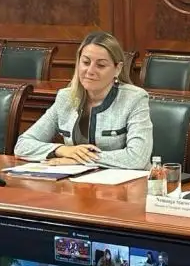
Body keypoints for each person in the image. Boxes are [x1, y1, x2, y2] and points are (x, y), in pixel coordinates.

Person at [14, 31, 152, 169]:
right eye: (86, 62)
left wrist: (82, 159)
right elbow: (22, 145)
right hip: (76, 180)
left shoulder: (134, 99)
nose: (90, 71)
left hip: (125, 181)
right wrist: (63, 150)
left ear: (118, 69)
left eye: (101, 65)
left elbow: (137, 157)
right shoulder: (65, 98)